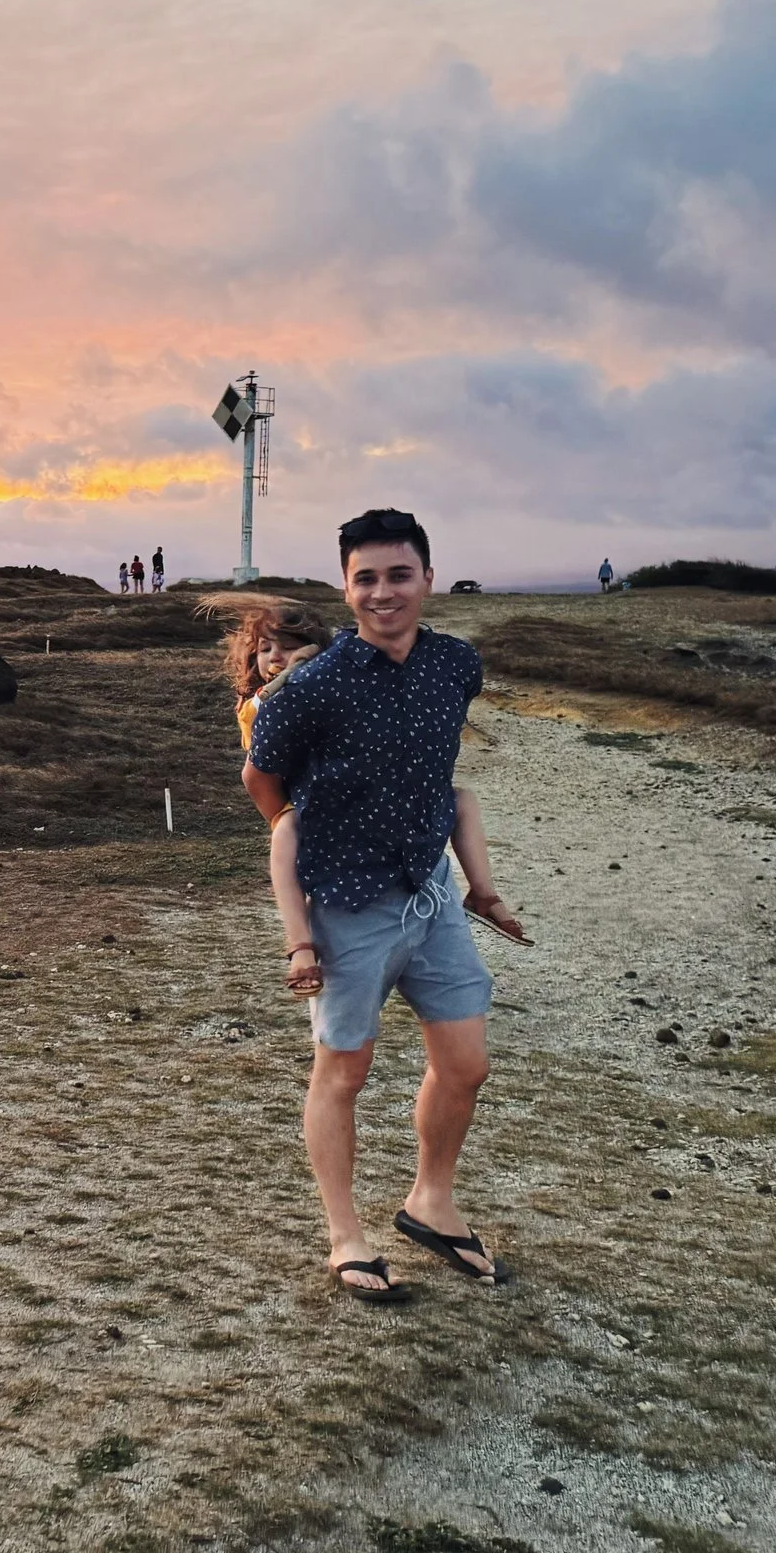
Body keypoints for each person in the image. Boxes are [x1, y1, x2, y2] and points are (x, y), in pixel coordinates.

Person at [242, 508, 510, 1303]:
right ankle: (344, 1234)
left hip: (430, 897)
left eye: (399, 574)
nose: (383, 591)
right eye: (366, 578)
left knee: (466, 1065)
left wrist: (473, 879)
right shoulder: (308, 689)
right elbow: (261, 780)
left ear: (428, 577)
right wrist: (304, 846)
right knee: (344, 1072)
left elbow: (442, 770)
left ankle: (430, 1201)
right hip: (348, 906)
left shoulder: (457, 664)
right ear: (346, 587)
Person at [215, 595, 527, 998]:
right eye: (266, 649)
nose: (277, 656)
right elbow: (261, 740)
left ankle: (484, 894)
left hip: (353, 794)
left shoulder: (328, 678)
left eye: (289, 646)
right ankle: (299, 945)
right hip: (306, 800)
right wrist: (295, 670)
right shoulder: (264, 698)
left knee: (461, 799)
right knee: (285, 836)